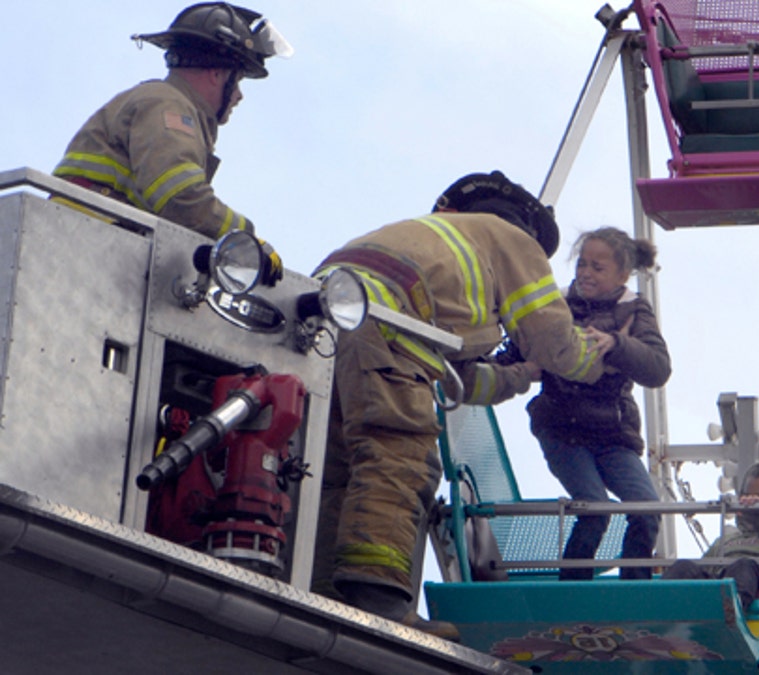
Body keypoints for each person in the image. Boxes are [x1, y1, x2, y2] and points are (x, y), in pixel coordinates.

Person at [311, 171, 608, 640]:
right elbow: (553, 339)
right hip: (386, 327)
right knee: (399, 455)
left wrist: (520, 375)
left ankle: (323, 590)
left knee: (336, 468)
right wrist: (597, 361)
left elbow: (458, 381)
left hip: (320, 325)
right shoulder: (509, 239)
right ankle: (378, 598)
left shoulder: (428, 240)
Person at [52, 3, 290, 258]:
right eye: (238, 80)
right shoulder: (169, 106)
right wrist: (246, 239)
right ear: (216, 73)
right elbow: (182, 198)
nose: (239, 96)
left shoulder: (158, 100)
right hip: (89, 247)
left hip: (83, 241)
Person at [525, 227, 672, 580]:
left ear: (622, 275)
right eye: (582, 264)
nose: (586, 273)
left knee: (647, 509)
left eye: (597, 267)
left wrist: (617, 345)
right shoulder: (557, 305)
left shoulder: (633, 309)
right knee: (594, 509)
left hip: (612, 435)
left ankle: (633, 589)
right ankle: (572, 591)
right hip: (564, 430)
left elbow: (658, 368)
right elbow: (520, 349)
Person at [662, 459, 759, 611]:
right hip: (720, 581)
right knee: (683, 568)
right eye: (747, 496)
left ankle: (729, 612)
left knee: (743, 567)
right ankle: (656, 612)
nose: (751, 502)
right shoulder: (727, 540)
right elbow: (705, 569)